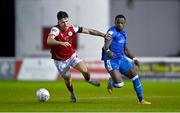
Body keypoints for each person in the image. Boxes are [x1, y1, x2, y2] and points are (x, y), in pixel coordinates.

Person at [47, 11, 109, 103]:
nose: (65, 24)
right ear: (58, 22)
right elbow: (49, 40)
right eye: (62, 22)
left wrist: (103, 35)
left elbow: (89, 31)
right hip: (60, 61)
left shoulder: (73, 28)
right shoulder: (55, 30)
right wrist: (61, 43)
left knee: (85, 70)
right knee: (68, 80)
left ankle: (88, 80)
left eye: (67, 21)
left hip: (71, 56)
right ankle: (72, 93)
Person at [101, 14, 151, 104]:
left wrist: (134, 58)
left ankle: (141, 100)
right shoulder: (111, 32)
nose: (120, 24)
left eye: (122, 23)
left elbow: (125, 50)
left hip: (121, 59)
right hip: (111, 60)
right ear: (115, 22)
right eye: (118, 22)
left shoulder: (124, 33)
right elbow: (106, 46)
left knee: (134, 75)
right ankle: (111, 81)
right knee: (120, 85)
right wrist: (108, 50)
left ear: (124, 24)